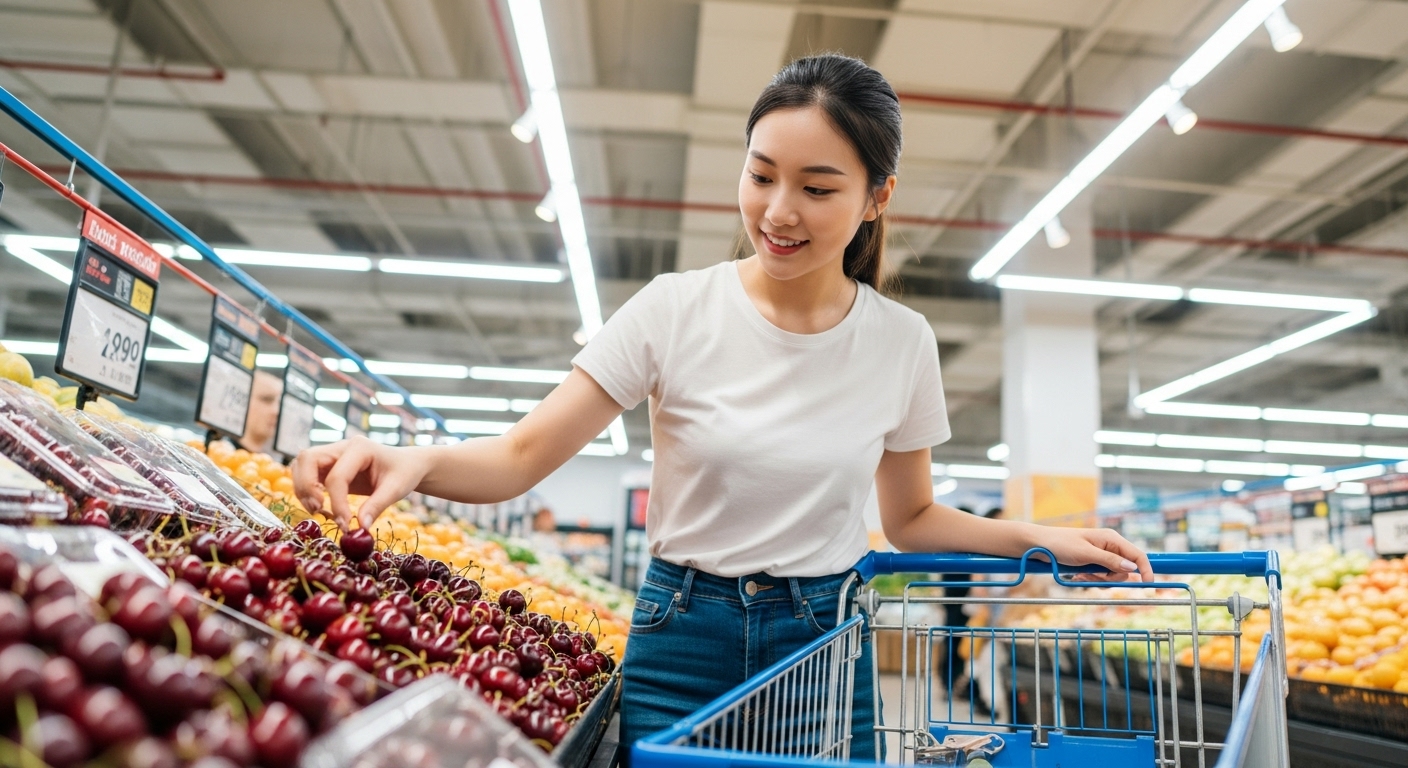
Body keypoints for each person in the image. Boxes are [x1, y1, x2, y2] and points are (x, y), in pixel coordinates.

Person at [290, 54, 1153, 760]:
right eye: (762, 175)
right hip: (681, 630)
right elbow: (523, 456)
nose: (777, 212)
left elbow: (913, 515)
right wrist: (418, 461)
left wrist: (1043, 537)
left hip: (823, 642)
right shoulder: (674, 308)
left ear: (875, 199)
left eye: (818, 189)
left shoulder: (902, 341)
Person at [238, 370, 283, 454]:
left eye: (280, 404)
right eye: (266, 399)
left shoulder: (272, 465)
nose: (276, 411)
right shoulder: (213, 457)